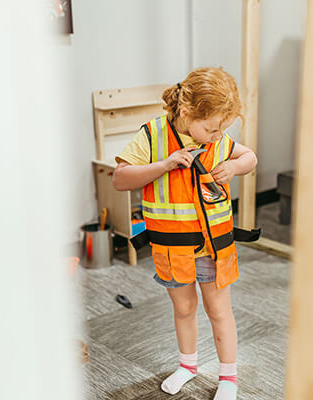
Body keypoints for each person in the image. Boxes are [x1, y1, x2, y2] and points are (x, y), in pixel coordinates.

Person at [113, 67, 258, 400]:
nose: (216, 135)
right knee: (183, 309)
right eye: (210, 128)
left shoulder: (219, 139)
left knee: (219, 310)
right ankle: (188, 366)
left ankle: (228, 378)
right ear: (188, 112)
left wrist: (235, 166)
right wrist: (163, 165)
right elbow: (121, 178)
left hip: (214, 247)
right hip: (171, 249)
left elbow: (248, 156)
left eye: (222, 128)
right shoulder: (152, 136)